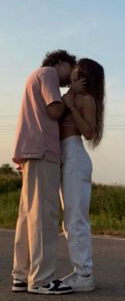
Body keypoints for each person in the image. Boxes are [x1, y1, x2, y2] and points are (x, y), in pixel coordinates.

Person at [11, 50, 85, 295]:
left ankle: (21, 276)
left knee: (27, 217)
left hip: (31, 151)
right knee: (44, 215)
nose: (70, 76)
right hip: (42, 152)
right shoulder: (49, 74)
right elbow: (54, 111)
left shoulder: (35, 76)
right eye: (70, 69)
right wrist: (72, 93)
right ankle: (42, 279)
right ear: (60, 62)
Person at [59, 58, 105, 292]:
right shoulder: (72, 96)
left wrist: (72, 106)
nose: (73, 70)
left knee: (76, 217)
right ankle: (80, 270)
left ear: (85, 75)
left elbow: (89, 132)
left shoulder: (86, 100)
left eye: (77, 68)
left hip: (75, 156)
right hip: (66, 156)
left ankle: (85, 273)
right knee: (70, 218)